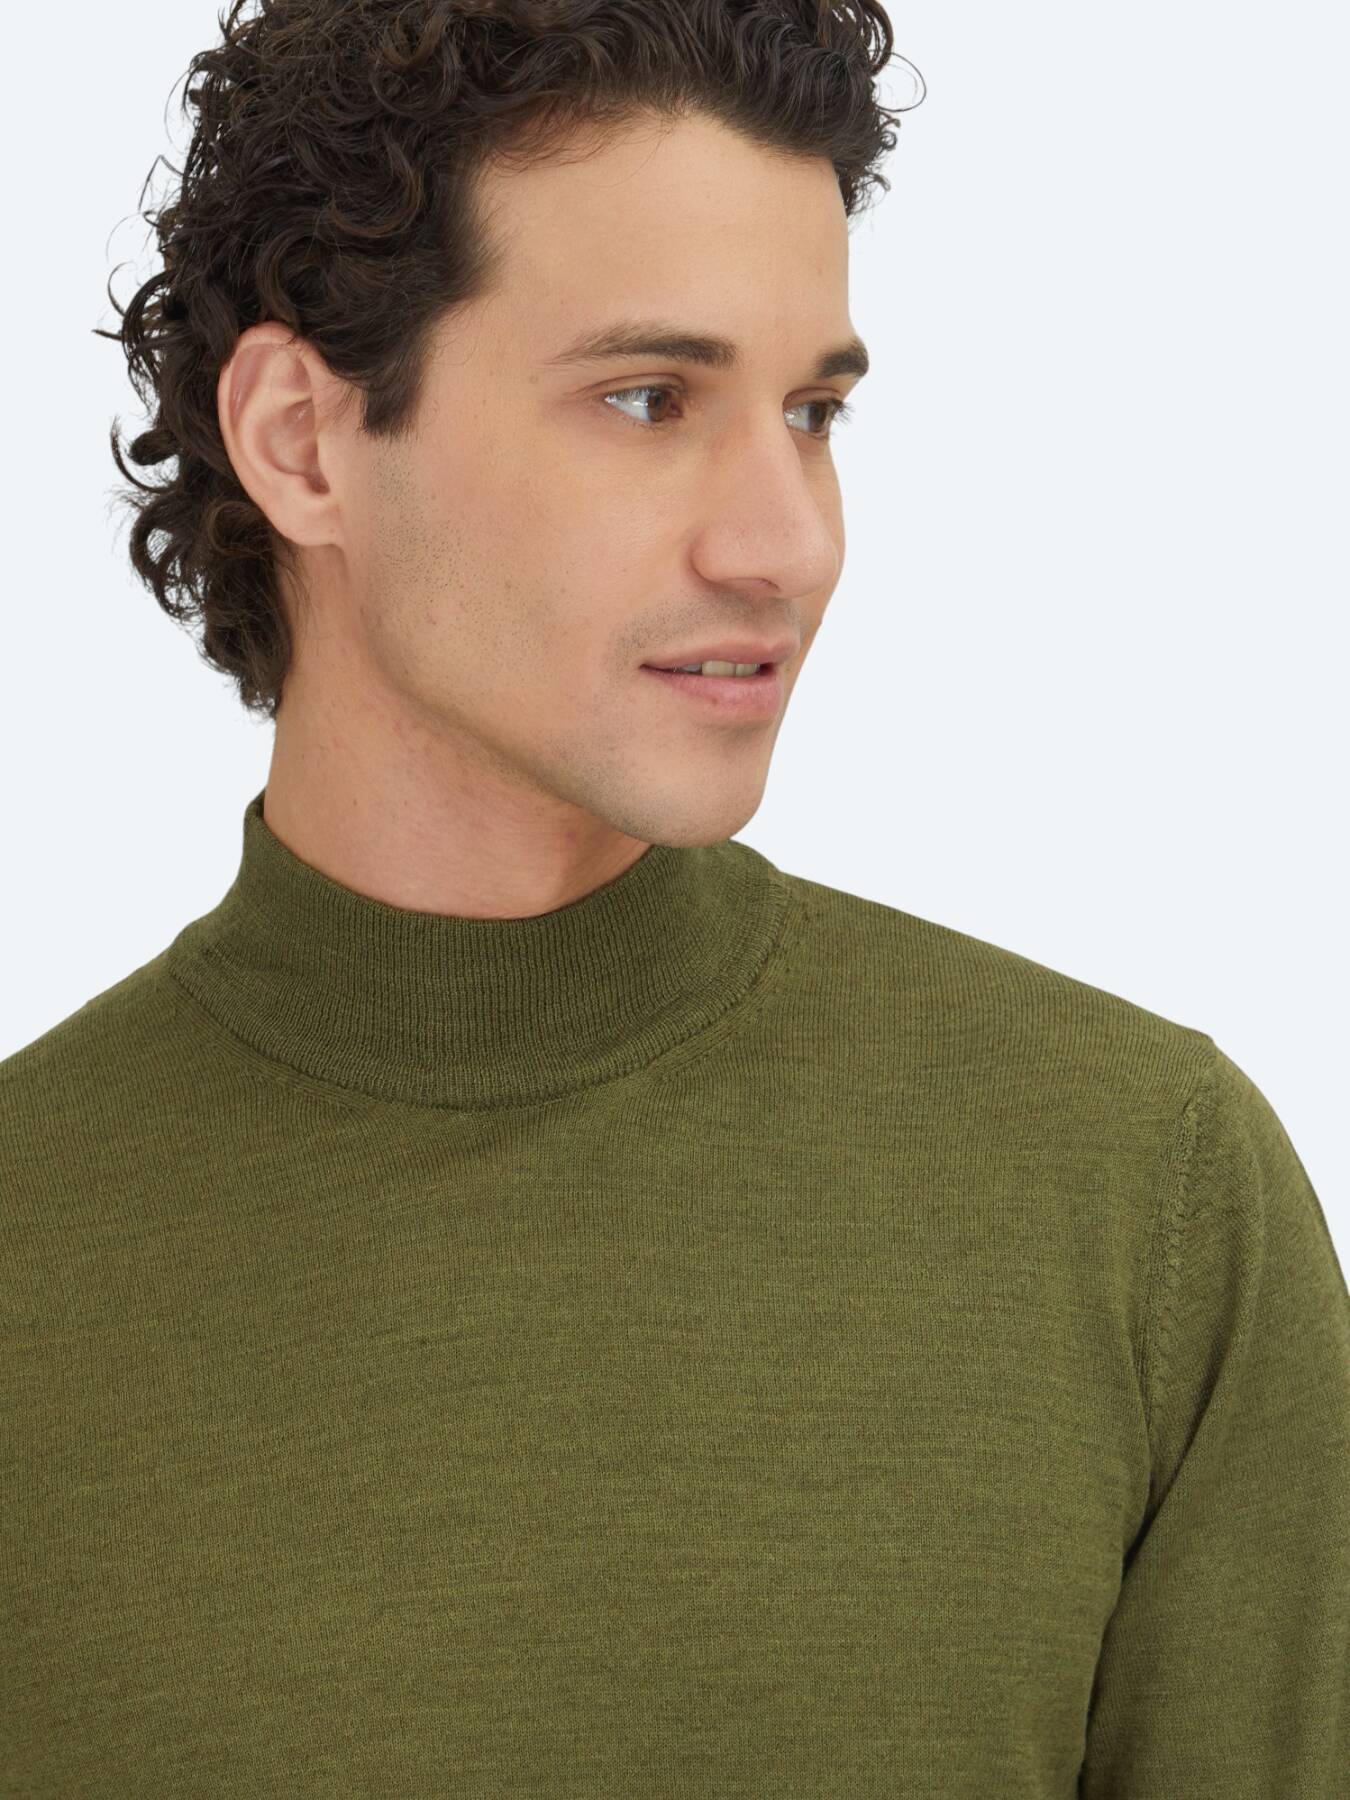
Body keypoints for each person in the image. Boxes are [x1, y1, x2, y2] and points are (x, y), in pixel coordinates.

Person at [2, 2, 1345, 1794]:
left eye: (812, 413)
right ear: (304, 440)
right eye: (646, 400)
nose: (786, 543)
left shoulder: (1138, 1195)